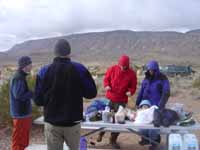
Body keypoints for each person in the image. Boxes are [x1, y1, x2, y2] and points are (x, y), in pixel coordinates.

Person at [34, 39, 97, 150]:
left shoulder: (44, 71)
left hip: (52, 122)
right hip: (73, 122)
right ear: (69, 52)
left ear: (55, 52)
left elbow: (38, 100)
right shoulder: (80, 69)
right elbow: (91, 93)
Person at [97, 55, 137, 149]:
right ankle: (101, 134)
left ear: (127, 65)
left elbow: (133, 86)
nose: (123, 68)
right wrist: (106, 85)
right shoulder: (112, 69)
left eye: (125, 66)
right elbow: (106, 79)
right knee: (105, 117)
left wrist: (130, 91)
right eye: (121, 66)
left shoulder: (131, 74)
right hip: (110, 98)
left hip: (122, 101)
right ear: (119, 63)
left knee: (119, 121)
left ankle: (113, 140)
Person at [136, 60, 170, 150]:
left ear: (156, 70)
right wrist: (137, 102)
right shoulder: (146, 78)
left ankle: (155, 143)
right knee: (142, 124)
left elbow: (166, 92)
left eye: (152, 70)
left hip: (157, 107)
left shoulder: (162, 78)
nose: (150, 71)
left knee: (154, 127)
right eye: (149, 70)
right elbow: (141, 91)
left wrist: (160, 105)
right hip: (146, 106)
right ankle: (145, 139)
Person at [9, 56, 33, 150]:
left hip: (23, 114)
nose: (31, 66)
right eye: (30, 64)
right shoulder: (18, 77)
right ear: (25, 65)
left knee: (23, 139)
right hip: (20, 114)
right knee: (19, 140)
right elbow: (18, 95)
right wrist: (32, 93)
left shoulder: (20, 76)